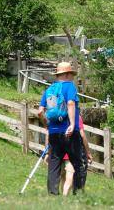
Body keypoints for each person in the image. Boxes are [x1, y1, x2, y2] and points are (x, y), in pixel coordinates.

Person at [38, 61, 84, 196]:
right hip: (69, 132)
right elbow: (70, 103)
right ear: (68, 74)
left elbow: (40, 111)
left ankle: (53, 194)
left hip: (54, 132)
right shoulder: (70, 87)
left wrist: (48, 125)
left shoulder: (50, 90)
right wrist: (71, 124)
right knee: (77, 163)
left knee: (54, 164)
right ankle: (78, 193)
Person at [46, 114, 92, 195]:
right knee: (70, 176)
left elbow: (49, 133)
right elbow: (82, 134)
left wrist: (48, 152)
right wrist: (88, 152)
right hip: (70, 151)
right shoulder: (76, 116)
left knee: (62, 177)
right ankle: (65, 197)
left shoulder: (57, 115)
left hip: (57, 151)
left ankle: (58, 196)